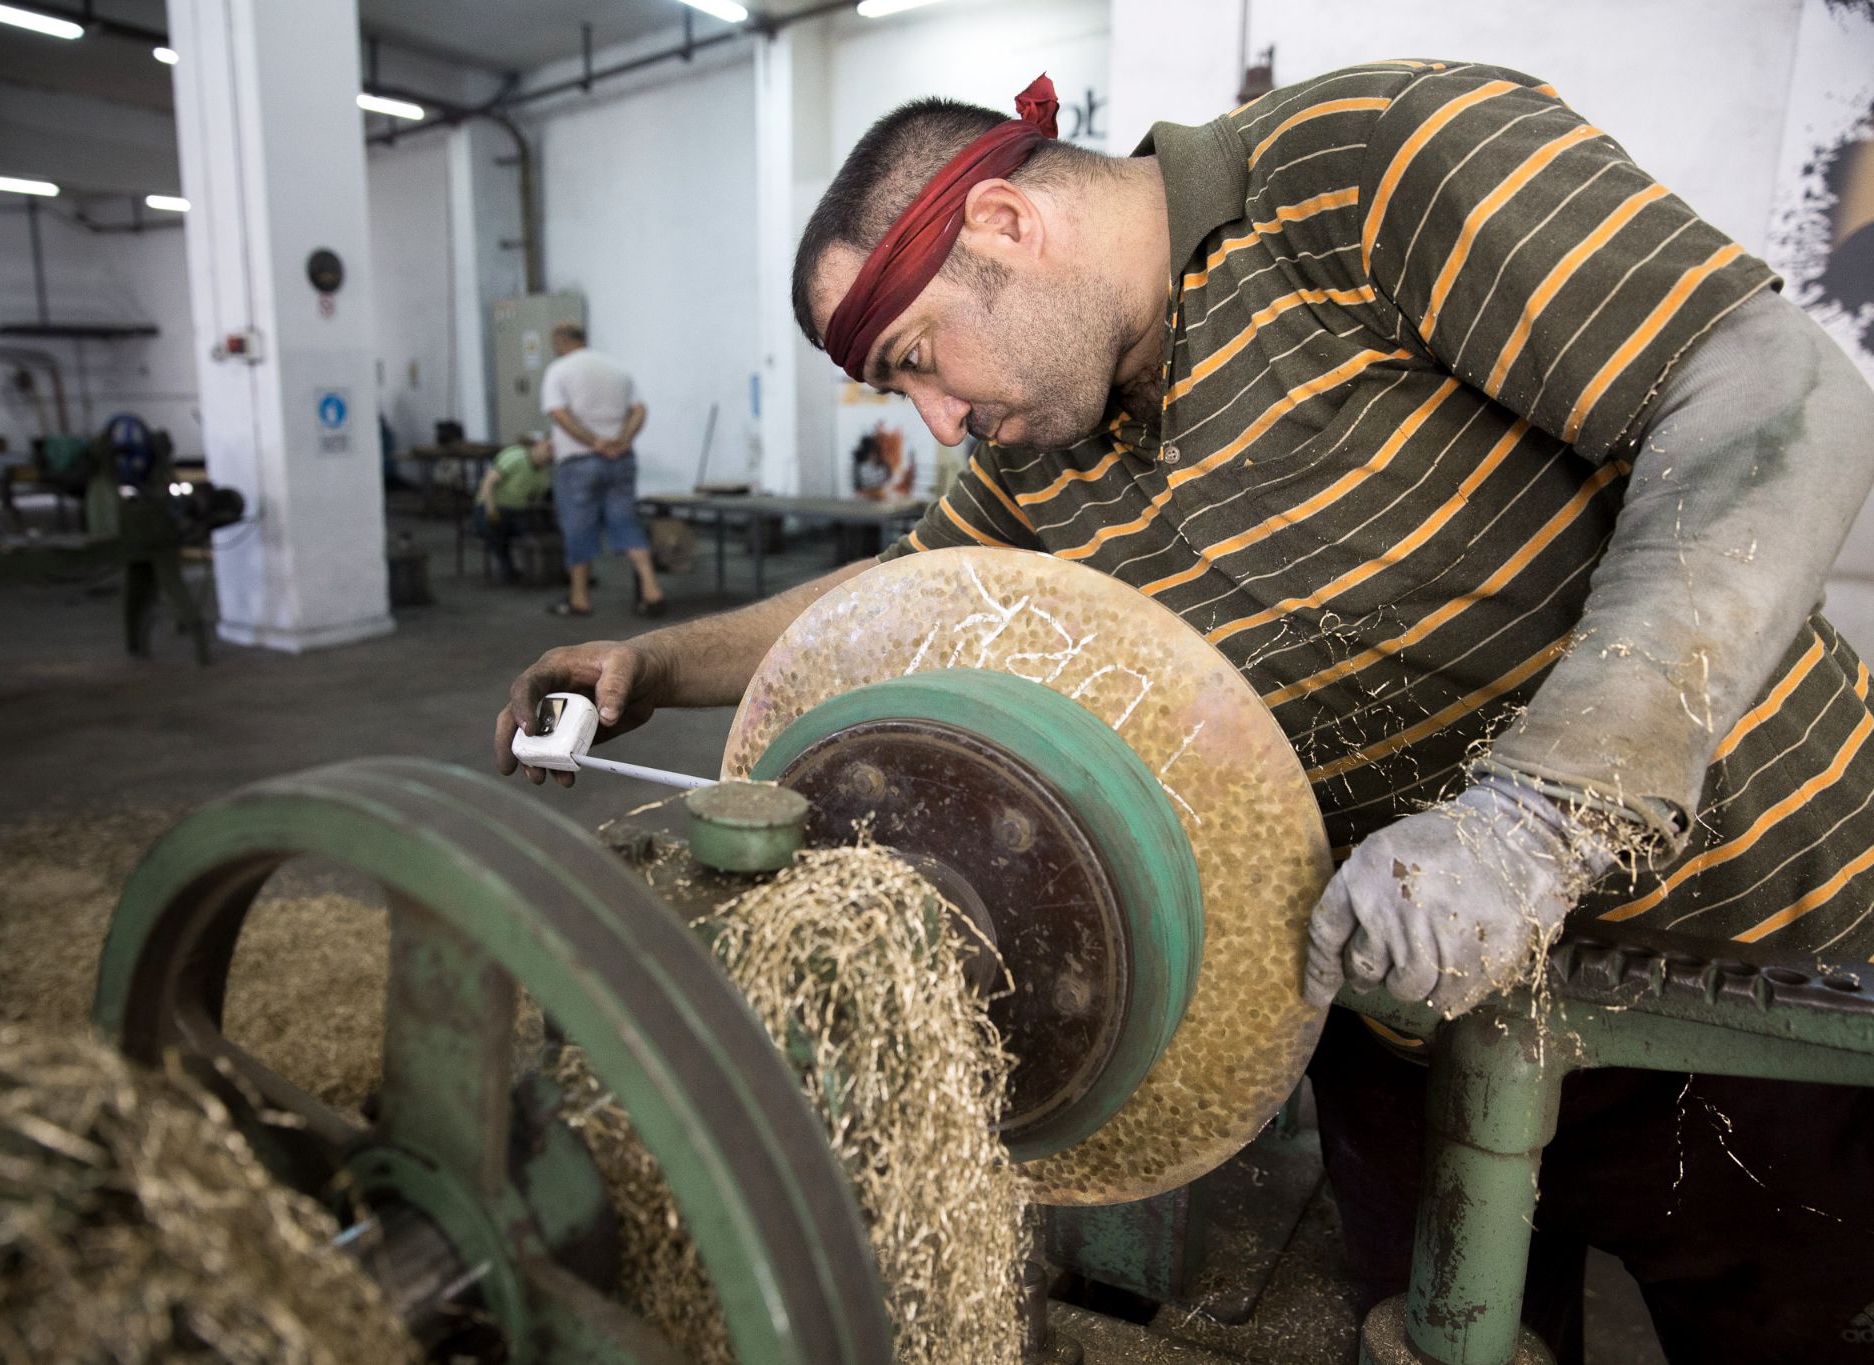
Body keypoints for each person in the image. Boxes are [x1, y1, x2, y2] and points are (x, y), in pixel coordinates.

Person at [499, 63, 1874, 1362]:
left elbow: (1768, 397)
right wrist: (655, 665)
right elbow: (901, 601)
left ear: (1005, 220)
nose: (938, 421)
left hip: (1748, 977)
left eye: (922, 355)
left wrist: (1542, 816)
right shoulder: (1051, 452)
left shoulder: (1368, 168)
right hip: (1410, 1011)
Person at [540, 322, 665, 618]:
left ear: (561, 340)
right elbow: (639, 410)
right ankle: (651, 589)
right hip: (621, 460)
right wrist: (622, 440)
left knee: (578, 527)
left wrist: (594, 442)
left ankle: (580, 598)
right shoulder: (616, 368)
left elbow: (560, 414)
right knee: (625, 522)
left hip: (579, 461)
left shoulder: (559, 369)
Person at [471, 434, 554, 583]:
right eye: (549, 448)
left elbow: (538, 499)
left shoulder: (543, 475)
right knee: (495, 529)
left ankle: (547, 571)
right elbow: (487, 483)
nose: (550, 454)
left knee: (542, 531)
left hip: (519, 512)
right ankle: (507, 569)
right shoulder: (515, 457)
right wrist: (491, 510)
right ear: (539, 444)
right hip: (492, 506)